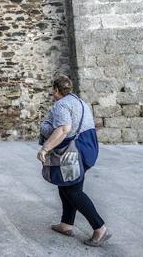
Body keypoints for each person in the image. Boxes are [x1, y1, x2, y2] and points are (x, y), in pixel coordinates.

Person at [37, 75, 111, 247]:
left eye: (52, 89)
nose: (51, 92)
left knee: (73, 191)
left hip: (74, 150)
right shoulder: (79, 102)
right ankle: (66, 224)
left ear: (55, 89)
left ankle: (100, 228)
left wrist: (45, 148)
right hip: (87, 147)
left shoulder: (61, 104)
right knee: (66, 185)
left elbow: (64, 129)